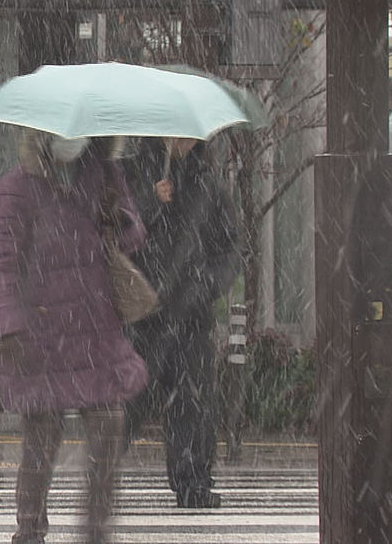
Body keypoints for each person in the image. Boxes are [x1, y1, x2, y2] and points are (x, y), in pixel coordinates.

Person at [0, 131, 147, 544]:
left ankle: (96, 527)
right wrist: (6, 324)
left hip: (95, 329)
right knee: (40, 437)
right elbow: (1, 263)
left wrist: (118, 218)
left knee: (109, 425)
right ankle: (31, 527)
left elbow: (132, 238)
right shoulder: (17, 188)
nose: (69, 138)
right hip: (42, 332)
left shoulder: (105, 176)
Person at [122, 136, 242, 509]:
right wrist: (149, 202)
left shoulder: (210, 187)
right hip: (147, 315)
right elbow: (115, 232)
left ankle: (193, 482)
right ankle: (101, 471)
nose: (181, 142)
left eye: (190, 136)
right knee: (129, 400)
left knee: (192, 402)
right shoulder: (135, 175)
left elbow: (233, 248)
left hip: (193, 317)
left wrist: (206, 284)